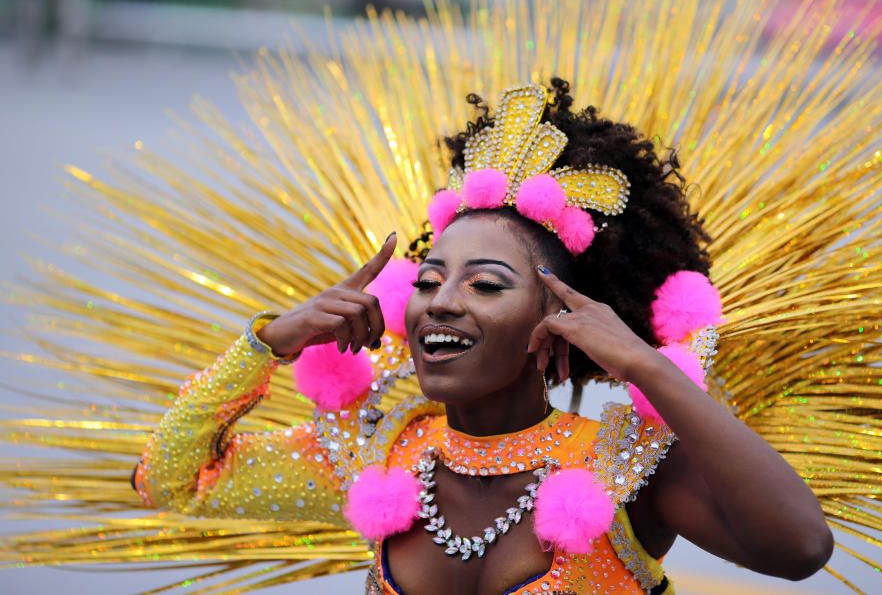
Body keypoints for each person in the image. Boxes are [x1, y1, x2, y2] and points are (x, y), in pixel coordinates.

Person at [132, 80, 833, 594]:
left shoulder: (624, 470)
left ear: (555, 319)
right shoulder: (382, 453)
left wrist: (649, 371)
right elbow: (171, 479)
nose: (441, 303)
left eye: (486, 285)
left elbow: (800, 546)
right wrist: (268, 343)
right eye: (431, 279)